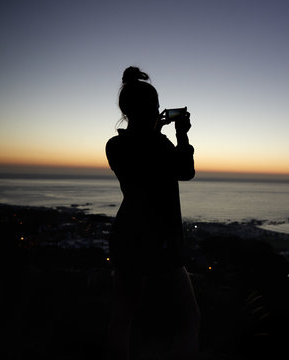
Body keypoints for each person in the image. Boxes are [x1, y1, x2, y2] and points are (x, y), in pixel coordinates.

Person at [106, 66, 199, 360]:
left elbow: (141, 159)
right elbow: (185, 170)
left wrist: (154, 130)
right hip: (161, 241)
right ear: (153, 109)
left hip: (127, 237)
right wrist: (181, 135)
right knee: (188, 318)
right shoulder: (159, 144)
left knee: (123, 315)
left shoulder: (115, 146)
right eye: (157, 107)